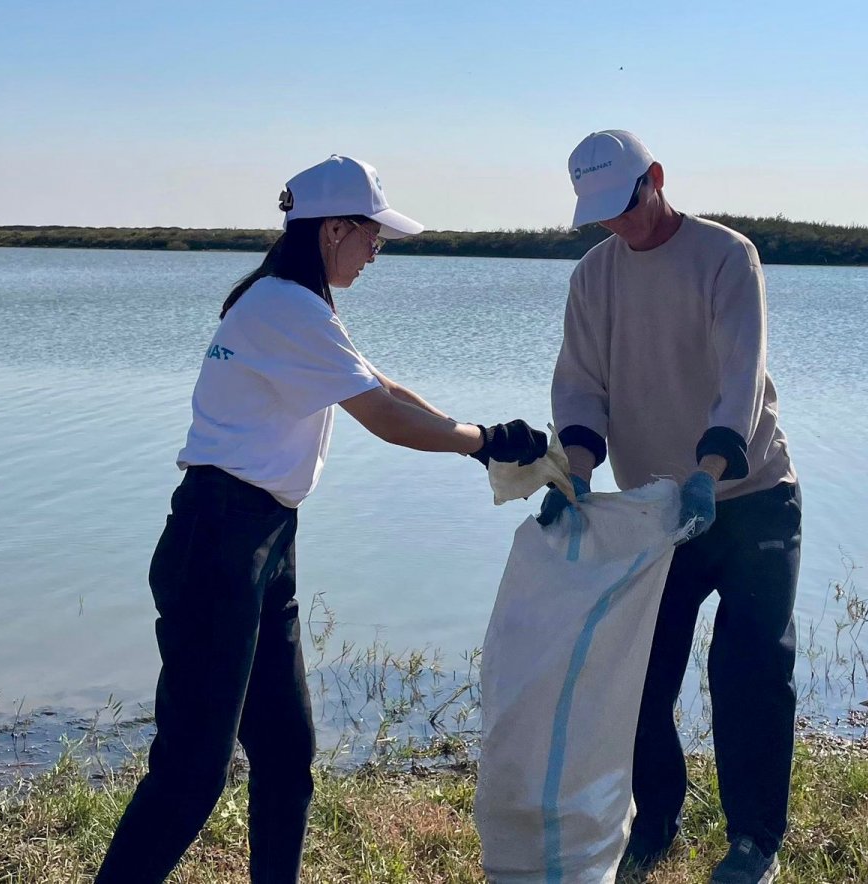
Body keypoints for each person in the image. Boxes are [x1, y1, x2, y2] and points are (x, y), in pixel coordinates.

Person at [94, 154, 547, 884]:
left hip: (262, 541)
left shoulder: (295, 302)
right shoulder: (284, 307)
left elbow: (384, 389)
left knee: (285, 755)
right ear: (334, 228)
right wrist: (483, 441)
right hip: (218, 544)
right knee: (192, 773)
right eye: (373, 236)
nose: (376, 251)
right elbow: (385, 420)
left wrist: (475, 437)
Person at [538, 130, 801, 884]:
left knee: (750, 671)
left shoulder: (726, 256)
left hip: (751, 496)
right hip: (655, 510)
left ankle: (754, 842)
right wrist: (575, 473)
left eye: (627, 204)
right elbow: (580, 384)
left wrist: (708, 472)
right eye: (601, 214)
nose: (619, 224)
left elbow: (740, 376)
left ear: (655, 177)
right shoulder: (593, 277)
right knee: (638, 676)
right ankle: (653, 823)